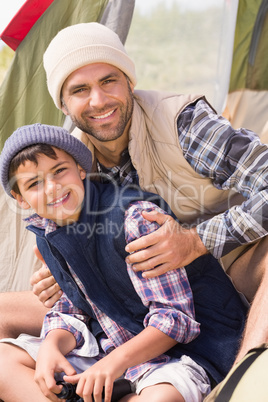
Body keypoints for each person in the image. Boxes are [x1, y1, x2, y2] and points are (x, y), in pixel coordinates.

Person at [1, 22, 268, 363]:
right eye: (80, 89)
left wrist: (197, 240)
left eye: (109, 80)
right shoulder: (68, 164)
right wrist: (65, 274)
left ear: (129, 81)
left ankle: (240, 383)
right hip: (135, 295)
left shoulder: (181, 123)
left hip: (228, 266)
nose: (98, 100)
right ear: (64, 106)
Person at [0, 123, 247, 402]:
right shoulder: (47, 231)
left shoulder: (133, 218)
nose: (53, 188)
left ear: (82, 170)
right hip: (114, 344)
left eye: (59, 171)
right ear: (21, 198)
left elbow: (175, 321)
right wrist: (51, 347)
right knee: (3, 363)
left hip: (183, 352)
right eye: (34, 183)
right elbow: (74, 307)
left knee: (161, 399)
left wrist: (112, 363)